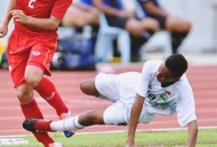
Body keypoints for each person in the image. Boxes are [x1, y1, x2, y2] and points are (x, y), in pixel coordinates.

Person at [0, 0, 75, 146]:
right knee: (22, 94)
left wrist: (28, 19)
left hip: (42, 38)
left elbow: (53, 23)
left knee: (33, 76)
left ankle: (64, 111)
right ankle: (49, 143)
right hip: (19, 37)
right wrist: (4, 23)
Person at [23, 54, 198, 147]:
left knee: (91, 117)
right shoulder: (152, 66)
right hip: (133, 84)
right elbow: (139, 95)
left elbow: (193, 127)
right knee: (86, 86)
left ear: (175, 79)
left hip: (143, 109)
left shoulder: (183, 90)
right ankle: (73, 116)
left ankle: (49, 126)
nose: (158, 75)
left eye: (164, 76)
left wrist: (130, 140)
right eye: (160, 70)